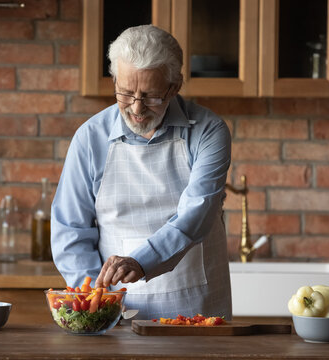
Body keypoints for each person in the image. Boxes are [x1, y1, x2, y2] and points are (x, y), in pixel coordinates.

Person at [51, 24, 232, 320]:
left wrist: (140, 260)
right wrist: (98, 300)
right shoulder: (89, 138)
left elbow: (197, 213)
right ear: (114, 80)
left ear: (174, 87)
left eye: (151, 96)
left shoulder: (209, 131)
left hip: (198, 309)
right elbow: (69, 229)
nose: (137, 108)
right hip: (115, 312)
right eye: (125, 92)